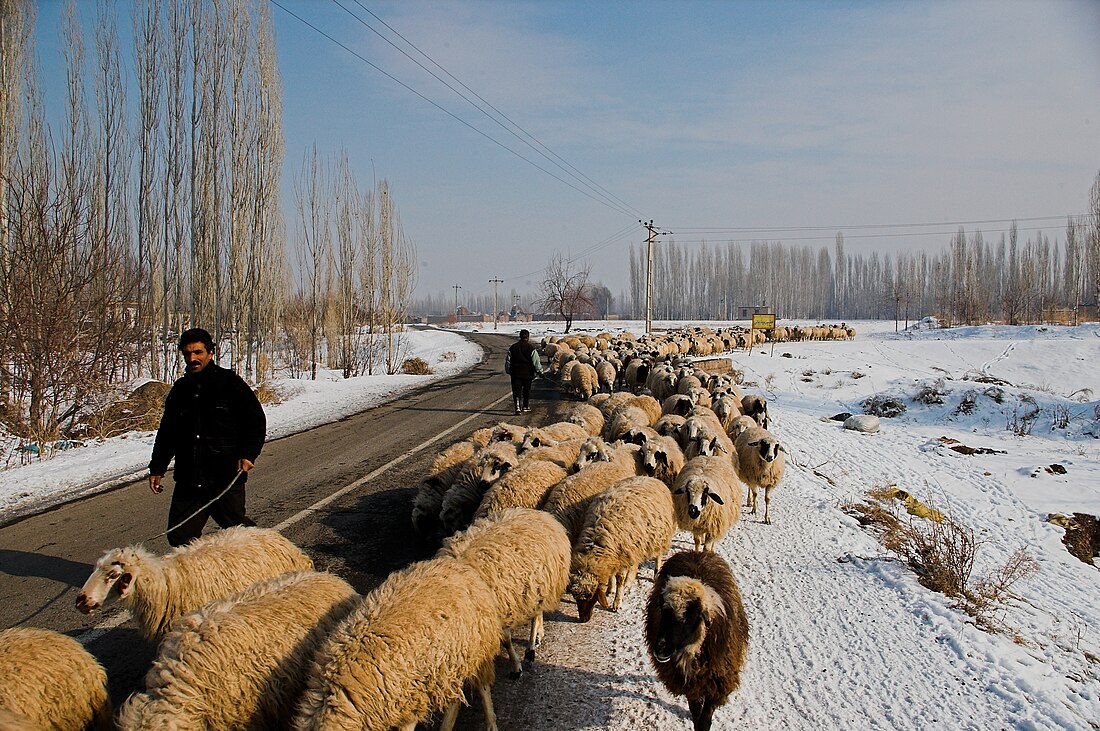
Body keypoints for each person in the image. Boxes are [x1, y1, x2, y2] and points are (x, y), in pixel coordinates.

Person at [148, 328, 267, 546]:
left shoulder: (230, 384)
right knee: (180, 537)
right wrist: (157, 468)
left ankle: (270, 557)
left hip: (225, 475)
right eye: (187, 354)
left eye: (197, 352)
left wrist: (249, 454)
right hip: (189, 478)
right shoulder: (180, 390)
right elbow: (168, 432)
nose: (192, 358)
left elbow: (256, 422)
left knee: (239, 533)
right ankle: (197, 578)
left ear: (210, 353)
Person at [504, 329, 544, 414]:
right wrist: (540, 372)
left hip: (515, 373)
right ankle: (525, 406)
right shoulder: (531, 348)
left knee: (516, 390)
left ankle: (517, 407)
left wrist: (508, 370)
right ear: (528, 337)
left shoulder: (513, 347)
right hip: (527, 373)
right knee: (526, 390)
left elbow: (508, 360)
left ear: (520, 337)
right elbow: (536, 361)